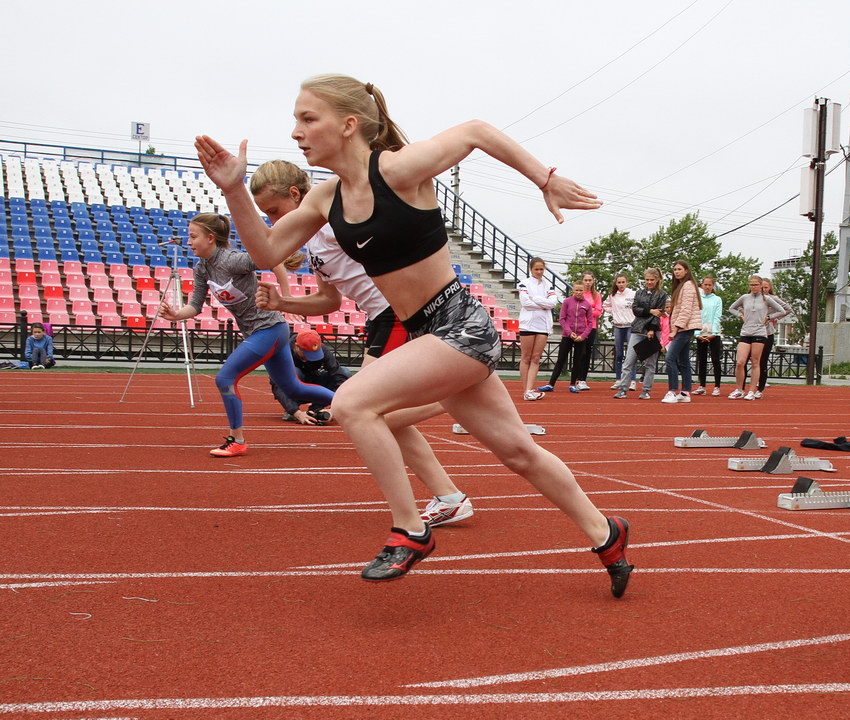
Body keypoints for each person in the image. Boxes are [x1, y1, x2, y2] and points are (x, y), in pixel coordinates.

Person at [195, 73, 632, 596]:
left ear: (349, 124)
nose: (296, 132)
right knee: (518, 453)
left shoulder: (398, 170)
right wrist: (234, 189)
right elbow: (265, 251)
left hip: (462, 325)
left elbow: (475, 131)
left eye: (308, 118)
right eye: (296, 120)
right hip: (430, 333)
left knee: (353, 403)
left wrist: (545, 179)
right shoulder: (325, 198)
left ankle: (411, 528)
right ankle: (607, 533)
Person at [250, 159, 475, 527]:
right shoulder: (313, 242)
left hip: (395, 313)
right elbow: (330, 302)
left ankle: (452, 395)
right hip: (379, 319)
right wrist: (282, 303)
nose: (275, 223)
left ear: (295, 195)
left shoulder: (337, 220)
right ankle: (448, 495)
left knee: (361, 407)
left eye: (274, 211)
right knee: (383, 416)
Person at [158, 213, 336, 457]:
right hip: (265, 331)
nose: (188, 241)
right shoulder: (202, 269)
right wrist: (175, 315)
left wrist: (285, 299)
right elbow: (196, 305)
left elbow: (272, 260)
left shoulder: (232, 261)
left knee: (225, 379)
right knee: (294, 389)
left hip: (269, 329)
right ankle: (349, 405)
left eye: (193, 236)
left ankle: (237, 440)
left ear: (210, 238)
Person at [727, 275, 787, 400]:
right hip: (746, 332)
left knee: (755, 362)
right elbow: (731, 308)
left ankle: (752, 391)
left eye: (756, 285)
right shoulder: (744, 297)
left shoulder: (767, 299)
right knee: (740, 362)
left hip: (760, 333)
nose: (753, 287)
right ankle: (739, 390)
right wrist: (740, 315)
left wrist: (770, 317)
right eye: (751, 284)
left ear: (760, 286)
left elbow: (782, 310)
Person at [270, 329, 349, 424]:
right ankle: (291, 410)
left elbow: (339, 375)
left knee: (345, 372)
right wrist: (296, 413)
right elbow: (277, 384)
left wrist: (333, 408)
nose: (310, 358)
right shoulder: (283, 351)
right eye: (307, 354)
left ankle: (316, 409)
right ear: (297, 347)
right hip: (294, 388)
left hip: (313, 380)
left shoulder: (323, 350)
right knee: (294, 372)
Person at [613, 268, 665, 400]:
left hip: (653, 331)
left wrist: (652, 329)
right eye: (647, 279)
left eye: (652, 280)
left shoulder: (662, 294)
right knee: (629, 361)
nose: (649, 282)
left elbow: (658, 314)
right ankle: (623, 389)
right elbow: (635, 310)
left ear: (657, 280)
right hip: (637, 329)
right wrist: (650, 311)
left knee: (650, 364)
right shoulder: (639, 292)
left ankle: (646, 390)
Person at [539, 280, 594, 393]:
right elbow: (562, 319)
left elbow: (590, 323)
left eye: (581, 290)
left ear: (584, 291)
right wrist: (569, 332)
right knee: (561, 360)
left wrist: (583, 336)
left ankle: (573, 384)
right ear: (573, 290)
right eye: (576, 290)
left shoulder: (587, 305)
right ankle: (551, 384)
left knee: (577, 361)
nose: (578, 292)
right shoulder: (567, 302)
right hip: (567, 336)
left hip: (580, 337)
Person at [517, 257, 556, 401]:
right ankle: (525, 389)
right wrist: (543, 302)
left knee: (536, 358)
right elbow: (525, 303)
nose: (539, 272)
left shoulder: (548, 285)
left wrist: (537, 299)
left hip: (543, 325)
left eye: (541, 269)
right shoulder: (524, 283)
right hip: (528, 324)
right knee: (526, 357)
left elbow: (553, 303)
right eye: (536, 269)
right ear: (531, 269)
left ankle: (530, 389)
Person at [662, 260, 701, 404]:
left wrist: (675, 329)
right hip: (684, 328)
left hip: (684, 328)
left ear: (686, 271)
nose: (676, 272)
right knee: (683, 361)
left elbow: (686, 310)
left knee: (670, 358)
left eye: (679, 269)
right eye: (675, 269)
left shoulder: (688, 286)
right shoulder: (682, 286)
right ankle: (685, 392)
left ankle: (672, 391)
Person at [755, 277, 794, 398]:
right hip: (753, 332)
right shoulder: (752, 298)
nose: (763, 289)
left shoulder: (773, 299)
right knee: (751, 359)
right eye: (762, 287)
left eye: (766, 287)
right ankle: (746, 386)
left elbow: (787, 309)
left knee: (763, 360)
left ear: (770, 288)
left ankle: (760, 385)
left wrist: (773, 317)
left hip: (767, 333)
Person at [604, 273, 635, 389]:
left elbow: (638, 306)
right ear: (616, 283)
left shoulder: (633, 294)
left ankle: (632, 380)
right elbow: (605, 306)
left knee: (631, 354)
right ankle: (618, 379)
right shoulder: (612, 295)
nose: (621, 285)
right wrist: (614, 312)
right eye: (619, 282)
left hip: (630, 326)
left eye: (623, 282)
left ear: (627, 282)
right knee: (619, 354)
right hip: (618, 326)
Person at [693, 275, 723, 396]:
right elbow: (695, 315)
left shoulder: (717, 299)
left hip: (713, 333)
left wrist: (714, 333)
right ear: (702, 285)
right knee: (702, 360)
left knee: (716, 359)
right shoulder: (698, 299)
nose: (707, 287)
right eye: (705, 284)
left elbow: (717, 316)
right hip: (700, 332)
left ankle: (717, 386)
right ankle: (702, 386)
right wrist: (696, 333)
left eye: (709, 285)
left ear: (713, 286)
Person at [577, 269, 603, 390]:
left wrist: (587, 310)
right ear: (582, 281)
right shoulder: (578, 293)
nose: (587, 282)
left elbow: (598, 311)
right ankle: (575, 378)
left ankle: (583, 379)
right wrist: (589, 310)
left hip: (591, 327)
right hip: (579, 327)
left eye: (590, 280)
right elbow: (575, 309)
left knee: (587, 353)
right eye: (585, 280)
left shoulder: (596, 295)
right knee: (579, 353)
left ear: (593, 281)